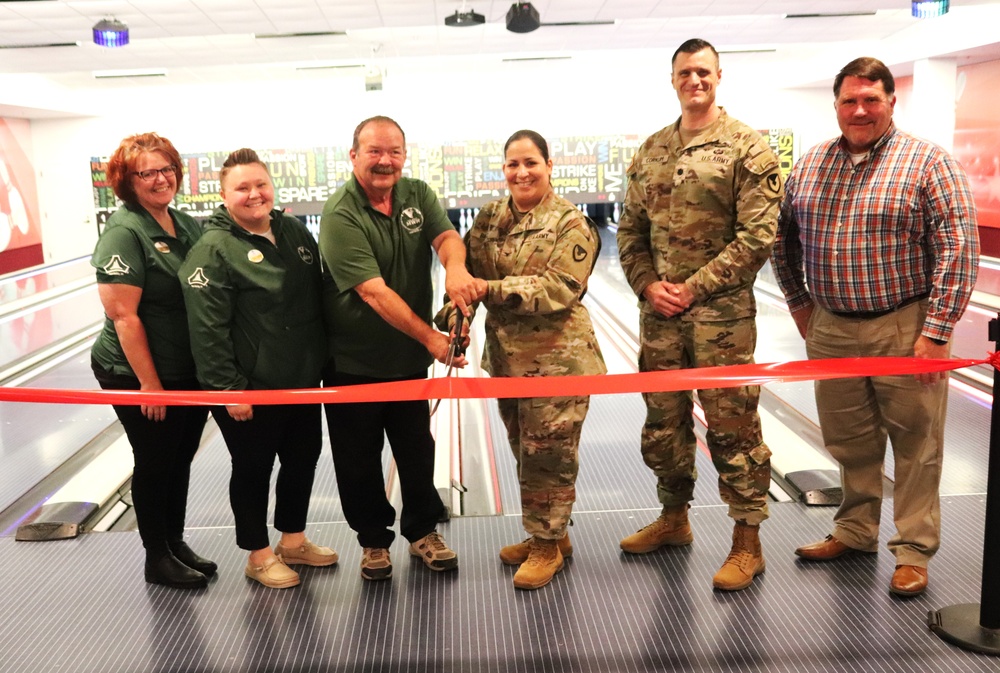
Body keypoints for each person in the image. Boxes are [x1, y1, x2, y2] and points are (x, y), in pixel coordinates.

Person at [772, 57, 979, 597]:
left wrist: (936, 331)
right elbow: (782, 241)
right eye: (849, 100)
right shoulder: (811, 165)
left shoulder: (928, 162)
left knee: (917, 444)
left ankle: (913, 550)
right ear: (836, 104)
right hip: (832, 326)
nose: (859, 110)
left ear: (891, 101)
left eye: (871, 99)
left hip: (904, 325)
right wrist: (799, 304)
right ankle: (855, 530)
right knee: (850, 440)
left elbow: (958, 247)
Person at [616, 38, 784, 591]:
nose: (695, 80)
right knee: (663, 424)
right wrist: (646, 285)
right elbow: (630, 232)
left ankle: (747, 542)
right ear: (673, 80)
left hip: (722, 319)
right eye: (685, 72)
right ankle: (674, 518)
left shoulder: (746, 148)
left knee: (733, 426)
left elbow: (758, 235)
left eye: (703, 72)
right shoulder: (651, 151)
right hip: (660, 317)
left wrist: (691, 288)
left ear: (719, 76)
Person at [436, 130, 606, 590]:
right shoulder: (490, 217)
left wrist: (486, 291)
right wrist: (457, 313)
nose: (521, 172)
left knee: (548, 456)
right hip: (509, 363)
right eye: (512, 164)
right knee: (524, 451)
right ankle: (550, 535)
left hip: (559, 362)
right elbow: (466, 277)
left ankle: (547, 545)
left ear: (549, 166)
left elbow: (558, 289)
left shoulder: (571, 223)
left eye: (531, 162)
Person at [319, 115, 478, 581]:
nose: (384, 161)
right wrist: (433, 339)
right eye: (374, 151)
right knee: (359, 458)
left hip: (404, 361)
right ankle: (373, 542)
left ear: (404, 157)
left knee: (415, 449)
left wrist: (455, 269)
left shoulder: (417, 194)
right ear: (354, 156)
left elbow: (447, 237)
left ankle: (423, 531)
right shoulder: (339, 213)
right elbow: (373, 291)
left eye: (393, 152)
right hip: (352, 361)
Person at [179, 148, 337, 589]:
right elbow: (207, 329)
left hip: (302, 381)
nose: (254, 194)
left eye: (260, 184)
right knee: (253, 468)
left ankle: (292, 540)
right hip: (251, 386)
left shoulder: (292, 230)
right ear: (224, 195)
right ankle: (258, 554)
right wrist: (230, 389)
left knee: (302, 459)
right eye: (242, 188)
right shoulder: (212, 250)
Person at [90, 132, 213, 590]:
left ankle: (175, 542)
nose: (161, 179)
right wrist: (150, 385)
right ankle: (155, 556)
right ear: (128, 181)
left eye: (167, 169)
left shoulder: (185, 223)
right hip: (135, 372)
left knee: (180, 457)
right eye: (148, 172)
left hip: (186, 371)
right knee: (156, 458)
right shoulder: (125, 233)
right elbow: (124, 317)